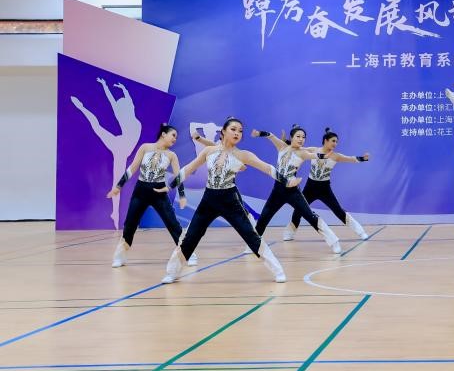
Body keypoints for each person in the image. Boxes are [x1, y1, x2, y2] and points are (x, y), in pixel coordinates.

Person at [159, 117, 293, 283]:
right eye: (233, 129)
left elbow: (267, 168)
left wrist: (287, 181)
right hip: (208, 200)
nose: (237, 133)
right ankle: (172, 272)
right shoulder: (209, 151)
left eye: (240, 131)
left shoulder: (243, 155)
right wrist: (170, 185)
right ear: (223, 131)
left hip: (230, 200)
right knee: (190, 237)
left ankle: (278, 270)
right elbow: (189, 168)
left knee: (251, 235)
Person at [107, 123, 193, 268]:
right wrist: (118, 186)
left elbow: (178, 176)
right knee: (130, 223)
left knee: (172, 223)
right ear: (163, 134)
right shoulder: (145, 147)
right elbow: (132, 168)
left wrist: (182, 196)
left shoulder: (171, 155)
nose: (175, 139)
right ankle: (120, 256)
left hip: (159, 192)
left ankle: (187, 253)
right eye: (173, 135)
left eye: (176, 138)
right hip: (141, 191)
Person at [248, 126, 343, 253]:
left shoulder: (302, 152)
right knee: (264, 217)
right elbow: (271, 135)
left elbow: (314, 155)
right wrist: (259, 133)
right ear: (291, 137)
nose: (301, 139)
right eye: (298, 136)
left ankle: (334, 241)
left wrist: (324, 155)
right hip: (277, 191)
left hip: (293, 191)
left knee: (310, 216)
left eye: (303, 137)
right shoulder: (282, 147)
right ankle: (253, 245)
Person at [71, 77, 142, 228]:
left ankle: (82, 108)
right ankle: (115, 213)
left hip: (120, 146)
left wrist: (111, 87)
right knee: (117, 181)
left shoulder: (125, 114)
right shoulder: (134, 119)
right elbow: (118, 101)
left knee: (96, 126)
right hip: (121, 146)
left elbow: (113, 101)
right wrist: (119, 89)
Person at [285, 128, 370, 242]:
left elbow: (350, 159)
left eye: (336, 141)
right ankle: (289, 233)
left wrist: (363, 158)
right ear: (326, 140)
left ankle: (361, 232)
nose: (335, 143)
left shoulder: (336, 156)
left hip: (325, 189)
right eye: (333, 141)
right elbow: (298, 148)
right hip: (310, 187)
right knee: (299, 209)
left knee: (338, 211)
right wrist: (286, 142)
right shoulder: (314, 150)